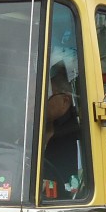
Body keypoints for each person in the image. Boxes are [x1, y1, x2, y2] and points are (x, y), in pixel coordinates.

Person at [40, 63, 84, 199]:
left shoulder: (79, 142)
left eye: (45, 94)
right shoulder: (27, 135)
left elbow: (73, 189)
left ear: (65, 101)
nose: (37, 100)